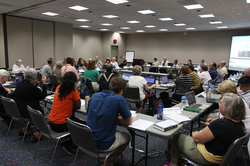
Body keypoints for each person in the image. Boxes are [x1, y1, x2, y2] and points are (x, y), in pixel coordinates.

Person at [168, 93, 246, 166]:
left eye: (221, 103)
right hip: (222, 156)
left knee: (177, 137)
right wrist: (213, 125)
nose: (219, 104)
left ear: (228, 108)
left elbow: (197, 139)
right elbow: (223, 131)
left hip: (207, 157)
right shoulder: (241, 125)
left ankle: (173, 164)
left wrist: (195, 134)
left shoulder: (219, 125)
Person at [86, 77, 132, 165]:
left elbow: (90, 113)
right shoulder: (119, 99)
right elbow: (128, 121)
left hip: (88, 140)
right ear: (122, 90)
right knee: (127, 137)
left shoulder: (95, 95)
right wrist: (113, 117)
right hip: (103, 143)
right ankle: (109, 160)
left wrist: (109, 116)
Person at [49, 71, 85, 155]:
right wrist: (70, 104)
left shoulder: (58, 87)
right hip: (62, 124)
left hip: (51, 122)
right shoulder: (73, 90)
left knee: (74, 119)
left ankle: (68, 141)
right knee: (84, 125)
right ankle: (66, 142)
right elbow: (78, 106)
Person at [14, 68, 47, 142]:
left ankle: (26, 129)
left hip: (19, 111)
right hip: (30, 113)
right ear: (34, 78)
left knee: (28, 105)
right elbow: (42, 96)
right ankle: (37, 133)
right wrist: (44, 84)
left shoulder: (19, 84)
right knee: (42, 111)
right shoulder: (31, 87)